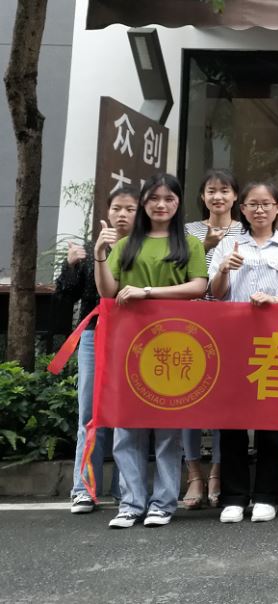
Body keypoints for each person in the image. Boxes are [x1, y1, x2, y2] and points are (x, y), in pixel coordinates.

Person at [95, 174, 209, 528]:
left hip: (172, 344)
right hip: (128, 343)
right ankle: (131, 503)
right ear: (144, 203)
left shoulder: (189, 244)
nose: (161, 205)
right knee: (127, 425)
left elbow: (198, 286)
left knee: (166, 427)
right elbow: (108, 291)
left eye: (169, 199)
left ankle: (163, 502)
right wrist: (100, 256)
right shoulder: (127, 244)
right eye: (154, 198)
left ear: (178, 203)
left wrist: (147, 292)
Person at [210, 182, 278, 524]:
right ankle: (234, 496)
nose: (259, 210)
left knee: (271, 419)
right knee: (232, 420)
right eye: (252, 204)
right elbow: (215, 293)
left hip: (274, 343)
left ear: (277, 207)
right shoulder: (227, 245)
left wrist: (274, 300)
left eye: (266, 204)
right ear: (242, 209)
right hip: (234, 342)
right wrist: (223, 269)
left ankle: (268, 495)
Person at [59, 187, 137, 513]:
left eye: (130, 209)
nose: (122, 214)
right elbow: (66, 295)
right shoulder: (93, 249)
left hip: (134, 339)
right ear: (108, 212)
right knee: (90, 412)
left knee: (127, 414)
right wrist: (70, 266)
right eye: (117, 208)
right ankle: (84, 489)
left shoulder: (145, 249)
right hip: (94, 336)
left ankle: (125, 489)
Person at [181, 168, 243, 509]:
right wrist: (204, 245)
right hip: (190, 321)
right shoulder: (188, 230)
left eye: (224, 190)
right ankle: (194, 474)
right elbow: (177, 269)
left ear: (235, 196)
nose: (218, 196)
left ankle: (218, 471)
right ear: (203, 196)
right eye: (211, 191)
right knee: (187, 398)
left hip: (228, 321)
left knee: (223, 399)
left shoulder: (244, 231)